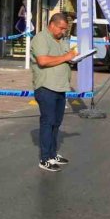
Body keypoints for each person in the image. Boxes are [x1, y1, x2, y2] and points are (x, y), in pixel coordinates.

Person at [31, 12, 78, 172]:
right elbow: (43, 61)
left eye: (65, 29)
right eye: (61, 28)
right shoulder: (41, 39)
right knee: (48, 122)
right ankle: (44, 159)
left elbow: (65, 57)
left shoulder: (62, 40)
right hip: (46, 87)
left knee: (56, 123)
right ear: (52, 24)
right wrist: (66, 57)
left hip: (60, 87)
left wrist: (72, 58)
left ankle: (52, 153)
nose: (63, 32)